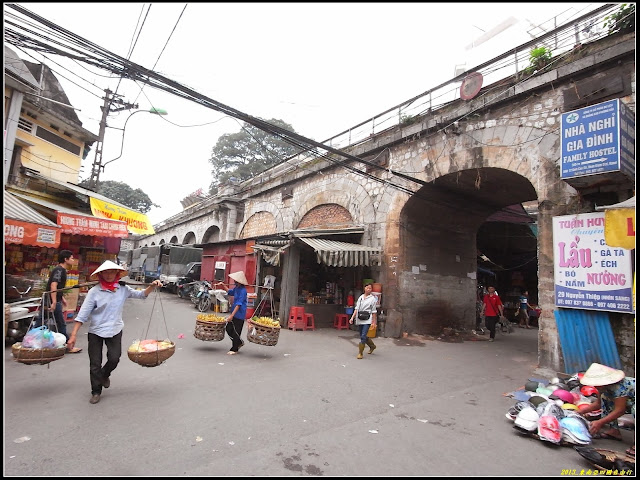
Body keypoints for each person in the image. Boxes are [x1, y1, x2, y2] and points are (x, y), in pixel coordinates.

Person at [66, 260, 162, 404]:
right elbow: (82, 315)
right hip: (96, 331)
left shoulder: (123, 289)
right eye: (106, 272)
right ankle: (96, 391)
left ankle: (104, 375)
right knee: (95, 363)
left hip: (115, 329)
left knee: (114, 358)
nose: (109, 275)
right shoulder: (94, 292)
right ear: (101, 274)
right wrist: (73, 335)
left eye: (112, 272)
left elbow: (141, 295)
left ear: (117, 273)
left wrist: (152, 286)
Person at [578, 362, 635, 456]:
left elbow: (620, 410)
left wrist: (600, 422)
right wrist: (579, 412)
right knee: (605, 398)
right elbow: (598, 404)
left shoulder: (619, 387)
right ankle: (614, 431)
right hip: (630, 399)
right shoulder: (604, 388)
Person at [41, 250, 82, 353]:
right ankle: (68, 346)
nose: (73, 260)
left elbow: (58, 287)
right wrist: (54, 301)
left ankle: (29, 341)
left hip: (51, 300)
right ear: (65, 259)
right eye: (72, 258)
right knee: (61, 324)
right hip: (51, 301)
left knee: (40, 322)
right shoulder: (60, 270)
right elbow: (53, 285)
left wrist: (61, 297)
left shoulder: (61, 270)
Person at [215, 271, 249, 355]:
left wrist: (232, 315)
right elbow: (230, 292)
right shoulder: (237, 288)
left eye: (236, 281)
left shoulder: (243, 291)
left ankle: (235, 349)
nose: (234, 282)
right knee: (229, 328)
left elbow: (239, 304)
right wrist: (223, 285)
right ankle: (239, 342)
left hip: (239, 313)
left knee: (236, 331)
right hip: (234, 311)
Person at [348, 282, 378, 359]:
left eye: (370, 288)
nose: (369, 289)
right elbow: (356, 308)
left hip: (367, 319)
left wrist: (374, 322)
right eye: (367, 288)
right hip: (360, 318)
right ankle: (372, 346)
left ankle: (360, 353)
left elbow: (374, 311)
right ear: (364, 288)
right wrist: (352, 318)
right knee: (362, 335)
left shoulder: (372, 299)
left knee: (363, 336)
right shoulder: (361, 297)